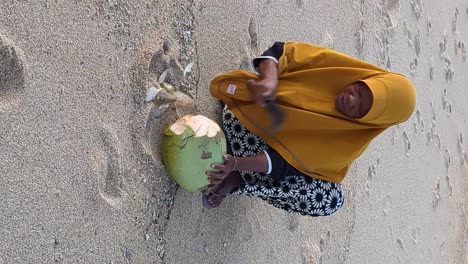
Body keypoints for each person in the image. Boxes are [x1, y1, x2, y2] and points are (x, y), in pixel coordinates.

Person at [203, 41, 416, 217]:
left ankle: (238, 181)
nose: (351, 99)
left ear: (372, 121)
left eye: (361, 108)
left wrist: (236, 164)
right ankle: (236, 169)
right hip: (242, 116)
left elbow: (284, 164)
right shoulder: (336, 69)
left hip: (257, 155)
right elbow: (280, 51)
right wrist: (269, 79)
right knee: (240, 113)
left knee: (330, 199)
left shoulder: (347, 146)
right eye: (359, 90)